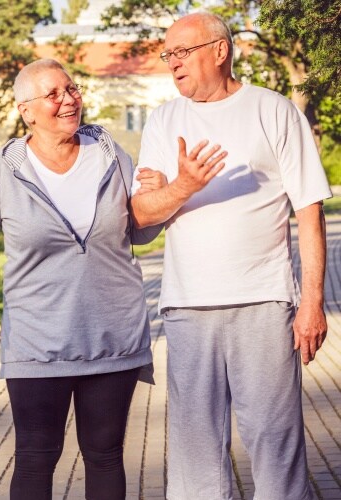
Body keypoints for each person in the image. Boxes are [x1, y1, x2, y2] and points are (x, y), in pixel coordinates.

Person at [0, 58, 163, 499]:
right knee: (36, 456)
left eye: (72, 89)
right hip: (38, 342)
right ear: (27, 111)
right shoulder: (2, 168)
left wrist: (158, 200)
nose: (68, 100)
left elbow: (138, 231)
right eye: (54, 94)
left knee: (105, 455)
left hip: (112, 337)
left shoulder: (111, 154)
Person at [130, 12, 332, 500]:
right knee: (195, 453)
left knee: (275, 445)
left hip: (263, 302)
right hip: (187, 307)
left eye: (182, 52)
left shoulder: (274, 110)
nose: (172, 64)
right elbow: (139, 219)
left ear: (219, 51)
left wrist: (312, 303)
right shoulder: (164, 119)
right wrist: (182, 186)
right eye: (168, 55)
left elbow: (309, 210)